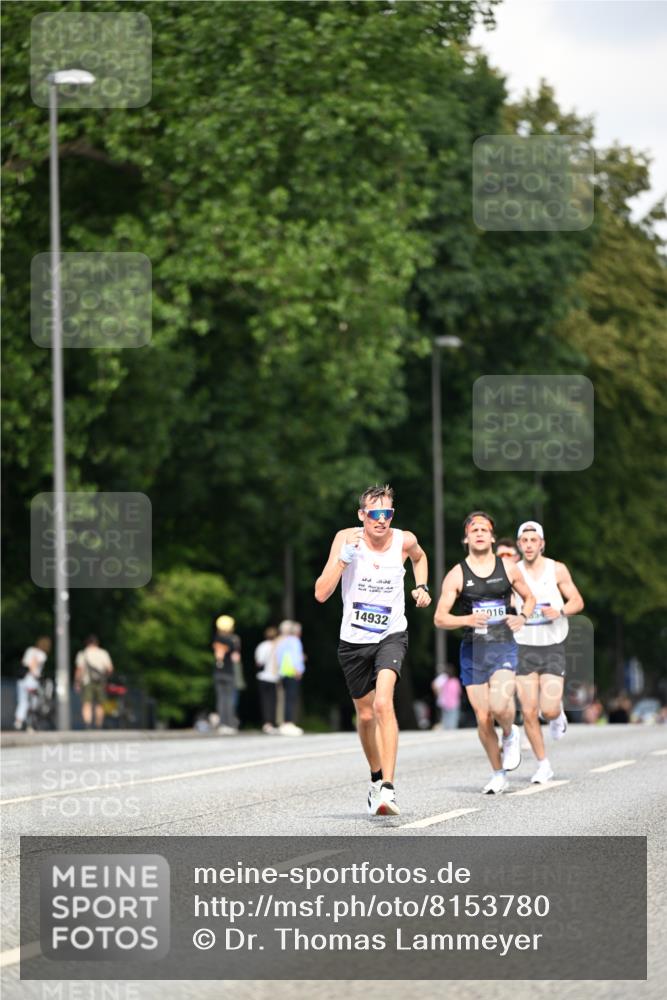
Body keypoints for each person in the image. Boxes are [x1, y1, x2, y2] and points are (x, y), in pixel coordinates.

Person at [315, 484, 431, 816]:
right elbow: (321, 594)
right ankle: (375, 778)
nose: (381, 520)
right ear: (362, 515)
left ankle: (389, 790)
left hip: (390, 634)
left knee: (383, 703)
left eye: (387, 514)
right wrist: (341, 561)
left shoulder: (403, 540)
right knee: (365, 715)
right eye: (374, 513)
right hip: (353, 640)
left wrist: (421, 586)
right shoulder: (345, 538)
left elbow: (420, 557)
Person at [434, 511, 536, 794]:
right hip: (473, 650)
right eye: (474, 529)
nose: (479, 533)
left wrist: (523, 617)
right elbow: (440, 618)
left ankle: (510, 731)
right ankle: (498, 772)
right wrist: (465, 620)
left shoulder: (508, 568)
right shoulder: (457, 574)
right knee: (481, 717)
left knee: (499, 705)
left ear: (492, 536)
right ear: (466, 538)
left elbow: (530, 597)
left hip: (502, 644)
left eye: (484, 529)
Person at [513, 521, 584, 782]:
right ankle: (543, 764)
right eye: (525, 540)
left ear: (542, 543)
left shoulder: (557, 569)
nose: (529, 545)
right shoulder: (513, 571)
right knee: (529, 711)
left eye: (534, 540)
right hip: (523, 646)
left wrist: (560, 611)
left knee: (548, 709)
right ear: (519, 544)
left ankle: (557, 714)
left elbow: (577, 600)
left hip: (552, 645)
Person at [74, 635, 113, 730]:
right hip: (101, 681)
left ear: (87, 643)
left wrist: (77, 682)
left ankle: (88, 725)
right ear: (97, 643)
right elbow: (110, 668)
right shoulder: (103, 653)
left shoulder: (83, 653)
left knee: (87, 703)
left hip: (87, 681)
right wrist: (105, 677)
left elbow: (80, 669)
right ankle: (98, 725)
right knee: (100, 704)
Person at [275, 620, 306, 736]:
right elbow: (296, 657)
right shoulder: (295, 641)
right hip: (292, 672)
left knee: (286, 698)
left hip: (283, 672)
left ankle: (285, 722)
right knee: (291, 698)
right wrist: (298, 669)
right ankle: (289, 723)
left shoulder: (282, 641)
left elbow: (278, 657)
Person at [14, 637, 51, 731]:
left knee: (22, 701)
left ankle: (18, 722)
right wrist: (37, 675)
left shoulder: (29, 650)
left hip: (22, 679)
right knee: (33, 702)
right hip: (31, 681)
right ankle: (30, 723)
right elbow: (33, 663)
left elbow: (24, 662)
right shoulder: (42, 655)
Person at [212, 614, 240, 733]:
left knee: (220, 698)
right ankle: (228, 724)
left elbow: (218, 655)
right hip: (228, 672)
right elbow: (236, 658)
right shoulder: (232, 640)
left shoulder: (216, 639)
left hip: (218, 672)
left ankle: (222, 724)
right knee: (228, 699)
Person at [255, 626, 279, 733]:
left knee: (265, 701)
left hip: (263, 677)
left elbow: (259, 662)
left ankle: (266, 723)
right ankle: (271, 723)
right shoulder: (277, 646)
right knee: (273, 701)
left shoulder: (261, 646)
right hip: (273, 677)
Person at [432, 665, 462, 730]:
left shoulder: (444, 681)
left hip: (445, 703)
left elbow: (435, 685)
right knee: (453, 719)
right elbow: (459, 692)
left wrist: (438, 693)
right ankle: (451, 730)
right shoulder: (455, 681)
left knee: (446, 719)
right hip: (454, 703)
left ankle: (446, 729)